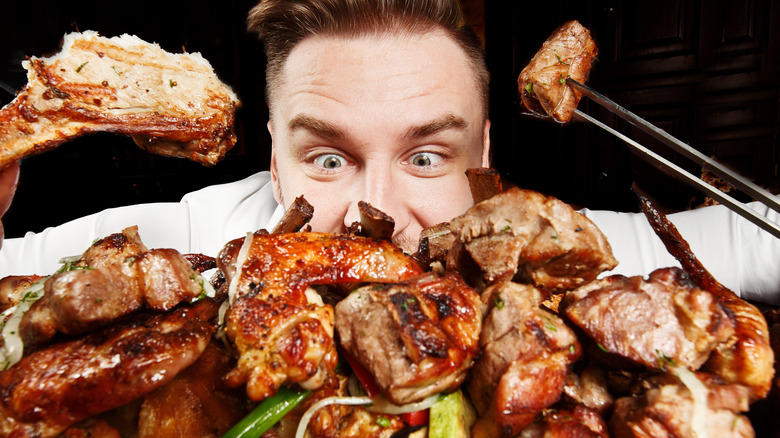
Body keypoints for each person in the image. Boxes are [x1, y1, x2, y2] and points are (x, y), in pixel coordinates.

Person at [1, 0, 780, 306]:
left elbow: (755, 242)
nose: (378, 215)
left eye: (427, 158)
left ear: (483, 153)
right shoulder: (186, 246)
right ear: (274, 158)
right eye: (329, 160)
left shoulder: (549, 252)